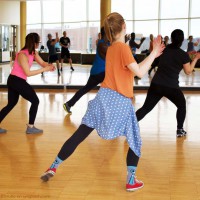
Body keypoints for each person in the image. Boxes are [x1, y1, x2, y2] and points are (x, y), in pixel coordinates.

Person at [40, 12, 164, 192]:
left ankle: (53, 166)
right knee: (135, 140)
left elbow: (134, 68)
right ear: (124, 27)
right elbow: (140, 72)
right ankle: (131, 180)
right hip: (119, 100)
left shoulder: (112, 48)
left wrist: (152, 54)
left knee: (80, 134)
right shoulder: (122, 48)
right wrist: (153, 53)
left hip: (103, 97)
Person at [136, 29, 200, 137]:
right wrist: (195, 59)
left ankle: (127, 125)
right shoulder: (183, 54)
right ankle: (180, 130)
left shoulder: (163, 49)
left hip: (156, 84)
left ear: (171, 38)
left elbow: (154, 55)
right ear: (181, 41)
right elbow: (188, 71)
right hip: (171, 87)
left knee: (146, 108)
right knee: (182, 105)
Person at [0, 33, 55, 134]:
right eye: (38, 42)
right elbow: (28, 73)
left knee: (11, 104)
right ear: (34, 43)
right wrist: (44, 69)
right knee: (35, 101)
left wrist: (49, 66)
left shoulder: (33, 52)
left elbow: (42, 63)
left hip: (16, 80)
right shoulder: (22, 54)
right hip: (16, 81)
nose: (38, 44)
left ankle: (30, 127)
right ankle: (30, 127)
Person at [63, 27, 109, 114]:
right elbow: (113, 52)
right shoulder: (102, 44)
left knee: (90, 89)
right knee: (109, 89)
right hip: (99, 73)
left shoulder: (107, 43)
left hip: (100, 72)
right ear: (106, 34)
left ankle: (69, 104)